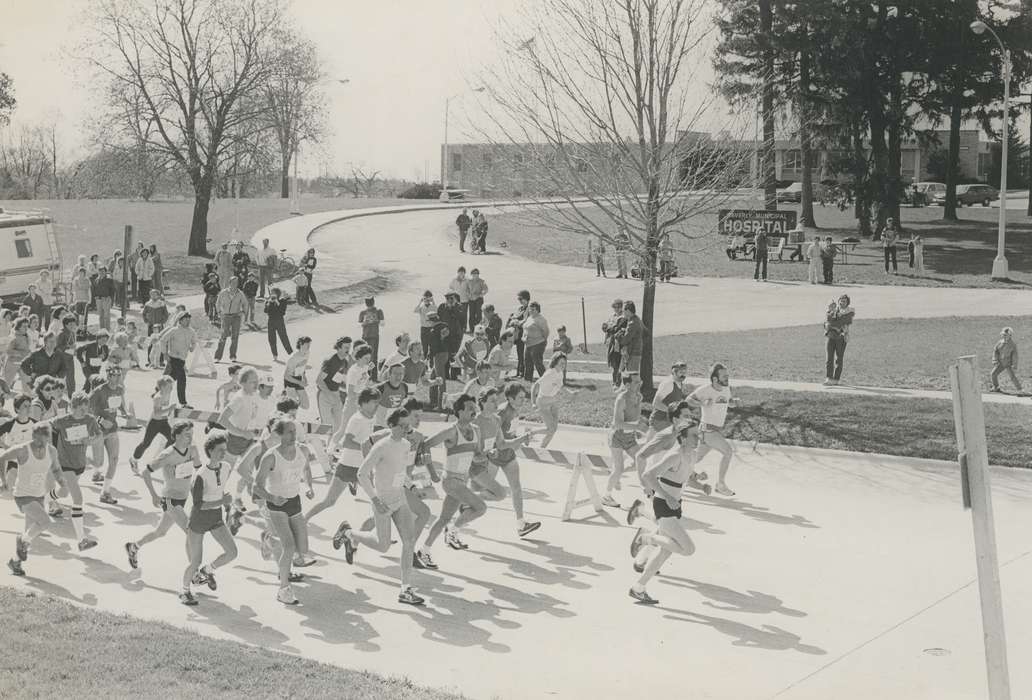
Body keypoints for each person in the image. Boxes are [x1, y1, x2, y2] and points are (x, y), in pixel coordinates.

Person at [337, 408, 426, 605]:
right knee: (383, 545)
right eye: (401, 426)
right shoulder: (381, 447)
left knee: (409, 542)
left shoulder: (405, 444)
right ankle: (350, 534)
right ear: (391, 426)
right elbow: (361, 474)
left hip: (400, 499)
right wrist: (375, 499)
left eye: (407, 426)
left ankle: (405, 589)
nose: (405, 430)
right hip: (383, 501)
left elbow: (401, 471)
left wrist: (412, 486)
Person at [628, 423, 700, 605]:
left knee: (664, 553)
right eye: (693, 435)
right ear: (683, 438)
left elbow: (686, 478)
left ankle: (638, 587)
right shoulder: (674, 455)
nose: (697, 439)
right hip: (664, 505)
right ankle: (646, 538)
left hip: (675, 505)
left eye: (698, 435)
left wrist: (702, 485)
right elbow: (649, 475)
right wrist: (667, 497)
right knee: (688, 549)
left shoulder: (692, 454)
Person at [253, 417, 315, 606]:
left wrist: (309, 487)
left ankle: (269, 540)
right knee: (289, 547)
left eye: (294, 431)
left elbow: (306, 469)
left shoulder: (302, 450)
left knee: (302, 550)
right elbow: (257, 486)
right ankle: (284, 589)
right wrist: (272, 498)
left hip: (294, 501)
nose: (293, 435)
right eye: (289, 432)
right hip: (276, 505)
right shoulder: (271, 456)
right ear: (279, 435)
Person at [416, 394, 487, 558]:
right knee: (481, 507)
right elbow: (426, 445)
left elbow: (477, 456)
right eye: (470, 408)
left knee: (443, 518)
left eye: (474, 408)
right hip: (451, 480)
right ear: (460, 412)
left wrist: (487, 455)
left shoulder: (476, 430)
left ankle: (423, 551)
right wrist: (432, 472)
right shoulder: (451, 431)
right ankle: (453, 532)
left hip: (463, 480)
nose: (474, 411)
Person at [126, 419, 201, 570]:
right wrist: (154, 495)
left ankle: (134, 547)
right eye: (187, 434)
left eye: (192, 434)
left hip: (183, 498)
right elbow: (146, 472)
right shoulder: (168, 454)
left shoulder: (193, 449)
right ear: (177, 436)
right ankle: (195, 572)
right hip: (170, 500)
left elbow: (198, 472)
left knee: (160, 532)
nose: (190, 437)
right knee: (191, 532)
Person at [468, 387, 541, 538]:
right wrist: (489, 452)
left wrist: (520, 440)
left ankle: (521, 524)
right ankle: (467, 503)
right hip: (493, 457)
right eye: (520, 398)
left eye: (523, 397)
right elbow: (492, 436)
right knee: (485, 489)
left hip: (508, 454)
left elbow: (507, 434)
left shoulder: (515, 411)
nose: (523, 400)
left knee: (516, 488)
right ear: (510, 399)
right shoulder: (500, 412)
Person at [180, 431, 238, 606]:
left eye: (225, 450)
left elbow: (219, 489)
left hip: (216, 518)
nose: (223, 453)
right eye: (220, 450)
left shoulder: (226, 467)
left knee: (232, 552)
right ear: (210, 451)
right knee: (195, 560)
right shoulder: (200, 475)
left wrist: (226, 504)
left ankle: (207, 571)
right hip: (199, 521)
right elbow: (199, 505)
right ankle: (184, 592)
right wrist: (222, 501)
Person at [310, 388, 380, 531]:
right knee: (329, 501)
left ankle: (377, 531)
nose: (377, 406)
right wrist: (367, 449)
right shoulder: (357, 419)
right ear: (364, 403)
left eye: (378, 403)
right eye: (374, 403)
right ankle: (304, 519)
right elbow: (346, 442)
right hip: (347, 466)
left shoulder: (371, 418)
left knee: (378, 501)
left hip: (363, 468)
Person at [3, 423, 66, 577]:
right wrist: (3, 481)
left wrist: (63, 484)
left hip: (39, 495)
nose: (40, 445)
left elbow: (56, 469)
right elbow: (2, 457)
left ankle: (15, 562)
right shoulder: (23, 449)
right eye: (37, 441)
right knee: (45, 522)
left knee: (30, 534)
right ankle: (21, 540)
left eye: (43, 442)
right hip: (23, 496)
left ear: (48, 439)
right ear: (32, 437)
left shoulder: (51, 451)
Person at [50, 392, 105, 541]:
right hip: (64, 464)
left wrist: (90, 441)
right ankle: (82, 539)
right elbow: (46, 427)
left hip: (80, 464)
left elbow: (100, 435)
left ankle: (46, 498)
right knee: (78, 499)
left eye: (86, 408)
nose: (84, 411)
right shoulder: (62, 420)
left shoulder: (90, 420)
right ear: (72, 408)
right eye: (81, 409)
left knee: (63, 492)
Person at [689, 363, 739, 497]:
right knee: (728, 452)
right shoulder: (705, 390)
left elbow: (729, 400)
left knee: (695, 458)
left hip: (712, 431)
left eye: (727, 375)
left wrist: (733, 403)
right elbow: (688, 400)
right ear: (715, 379)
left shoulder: (726, 388)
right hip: (708, 431)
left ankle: (674, 471)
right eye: (724, 376)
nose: (727, 378)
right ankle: (720, 484)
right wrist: (701, 403)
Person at [90, 364, 128, 504]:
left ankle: (105, 493)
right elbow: (87, 409)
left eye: (120, 375)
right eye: (115, 375)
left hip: (112, 430)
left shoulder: (119, 389)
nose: (118, 378)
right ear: (108, 376)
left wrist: (125, 412)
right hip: (98, 431)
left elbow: (119, 404)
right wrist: (101, 420)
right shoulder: (99, 391)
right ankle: (89, 467)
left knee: (114, 460)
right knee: (98, 462)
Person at [604, 373, 643, 508]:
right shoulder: (621, 399)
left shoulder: (639, 397)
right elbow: (618, 423)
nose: (640, 384)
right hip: (617, 437)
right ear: (627, 385)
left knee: (642, 460)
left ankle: (616, 475)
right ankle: (606, 496)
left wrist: (637, 429)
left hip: (630, 437)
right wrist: (637, 427)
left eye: (640, 381)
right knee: (619, 468)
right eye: (636, 382)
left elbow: (634, 416)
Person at [129, 375, 176, 473]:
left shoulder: (168, 393)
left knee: (173, 438)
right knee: (146, 443)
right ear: (162, 387)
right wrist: (170, 409)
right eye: (169, 387)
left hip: (164, 422)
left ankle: (162, 457)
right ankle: (134, 459)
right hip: (154, 423)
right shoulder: (158, 397)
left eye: (172, 387)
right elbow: (157, 412)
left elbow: (164, 409)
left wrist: (169, 412)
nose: (171, 389)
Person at [531, 353, 575, 448]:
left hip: (554, 401)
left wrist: (570, 392)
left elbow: (560, 385)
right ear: (555, 362)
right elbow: (535, 386)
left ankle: (542, 448)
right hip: (543, 401)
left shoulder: (560, 372)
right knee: (551, 429)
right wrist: (533, 403)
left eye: (565, 363)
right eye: (561, 363)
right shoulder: (550, 373)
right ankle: (530, 433)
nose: (563, 366)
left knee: (553, 429)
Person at [158, 312, 196, 407]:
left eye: (189, 319)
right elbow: (162, 340)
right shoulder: (174, 330)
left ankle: (158, 396)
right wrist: (165, 353)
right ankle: (182, 403)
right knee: (180, 380)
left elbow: (194, 341)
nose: (188, 321)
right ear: (180, 320)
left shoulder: (191, 331)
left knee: (167, 380)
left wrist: (192, 347)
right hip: (173, 359)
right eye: (186, 320)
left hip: (182, 360)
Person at [645, 361, 689, 442]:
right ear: (673, 372)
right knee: (647, 449)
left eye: (685, 372)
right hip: (658, 421)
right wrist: (672, 412)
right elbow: (656, 403)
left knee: (664, 449)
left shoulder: (680, 383)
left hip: (669, 423)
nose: (683, 375)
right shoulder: (668, 384)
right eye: (681, 372)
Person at [316, 336, 352, 432]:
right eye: (346, 348)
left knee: (339, 426)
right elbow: (319, 381)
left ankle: (334, 447)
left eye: (349, 348)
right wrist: (330, 394)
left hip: (336, 395)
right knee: (327, 426)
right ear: (339, 348)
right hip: (324, 395)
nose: (348, 350)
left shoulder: (345, 362)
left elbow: (340, 380)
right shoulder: (330, 361)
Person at [823, 294, 854, 387]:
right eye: (840, 300)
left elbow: (842, 323)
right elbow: (826, 321)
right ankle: (829, 378)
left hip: (841, 338)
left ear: (847, 303)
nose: (841, 302)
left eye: (844, 301)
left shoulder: (849, 313)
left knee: (839, 359)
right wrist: (826, 325)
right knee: (829, 358)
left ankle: (836, 379)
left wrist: (833, 325)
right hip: (830, 336)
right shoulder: (833, 310)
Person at [214, 276, 247, 362]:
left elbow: (245, 303)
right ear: (229, 283)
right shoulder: (223, 293)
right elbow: (217, 303)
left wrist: (243, 312)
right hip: (225, 316)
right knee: (223, 336)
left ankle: (233, 356)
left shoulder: (240, 293)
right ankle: (218, 357)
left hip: (236, 317)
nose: (234, 284)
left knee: (235, 337)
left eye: (236, 283)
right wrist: (219, 312)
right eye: (233, 282)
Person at [425, 312, 451, 410]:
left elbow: (433, 347)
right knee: (433, 377)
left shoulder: (433, 331)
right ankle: (433, 402)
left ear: (432, 321)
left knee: (440, 381)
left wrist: (430, 358)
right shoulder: (446, 327)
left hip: (438, 355)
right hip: (445, 353)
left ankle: (441, 406)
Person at [521, 301, 550, 382]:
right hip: (528, 344)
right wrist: (524, 337)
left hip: (538, 344)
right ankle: (527, 381)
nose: (531, 311)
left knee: (538, 363)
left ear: (538, 310)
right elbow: (525, 329)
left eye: (533, 309)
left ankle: (546, 380)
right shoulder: (530, 318)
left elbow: (546, 332)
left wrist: (542, 340)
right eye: (530, 309)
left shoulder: (541, 319)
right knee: (527, 362)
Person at [359, 297, 385, 381]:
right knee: (374, 356)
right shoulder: (378, 311)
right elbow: (382, 324)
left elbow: (359, 324)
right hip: (374, 336)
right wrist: (375, 321)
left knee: (365, 356)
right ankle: (373, 377)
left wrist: (366, 322)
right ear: (374, 302)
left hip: (365, 336)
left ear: (365, 303)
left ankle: (366, 376)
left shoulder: (362, 312)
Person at [438, 292, 465, 375]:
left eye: (451, 298)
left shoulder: (460, 307)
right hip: (445, 335)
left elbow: (461, 318)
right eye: (447, 298)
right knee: (445, 354)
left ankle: (455, 374)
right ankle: (445, 373)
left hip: (456, 335)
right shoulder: (442, 306)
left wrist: (453, 307)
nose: (449, 300)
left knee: (455, 355)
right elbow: (439, 319)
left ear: (455, 299)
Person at [602, 299, 626, 388]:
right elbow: (605, 326)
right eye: (614, 307)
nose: (616, 309)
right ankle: (614, 381)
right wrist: (607, 328)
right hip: (611, 342)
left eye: (618, 307)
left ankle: (618, 382)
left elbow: (616, 329)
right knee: (613, 362)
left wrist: (609, 328)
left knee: (619, 363)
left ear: (621, 307)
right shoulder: (612, 316)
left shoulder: (623, 317)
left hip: (619, 343)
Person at [264, 287, 292, 361]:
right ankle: (275, 355)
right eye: (271, 293)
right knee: (271, 338)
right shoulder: (269, 301)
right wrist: (268, 303)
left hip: (279, 321)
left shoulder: (282, 301)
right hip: (271, 321)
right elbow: (266, 311)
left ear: (278, 294)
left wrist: (277, 302)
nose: (272, 294)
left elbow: (282, 312)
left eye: (273, 293)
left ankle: (291, 353)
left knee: (284, 337)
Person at [990, 326, 1022, 393]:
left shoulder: (1012, 345)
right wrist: (994, 360)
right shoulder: (1000, 342)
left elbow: (1015, 356)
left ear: (1010, 335)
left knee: (1012, 377)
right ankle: (996, 387)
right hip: (1000, 363)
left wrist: (1014, 365)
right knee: (993, 374)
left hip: (1008, 364)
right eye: (1003, 335)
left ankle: (1020, 390)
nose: (1004, 336)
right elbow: (995, 351)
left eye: (1005, 335)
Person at [507, 290, 530, 377]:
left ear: (526, 298)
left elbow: (525, 320)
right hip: (517, 333)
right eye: (519, 299)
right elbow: (515, 316)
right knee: (519, 353)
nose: (519, 300)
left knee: (522, 353)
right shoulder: (520, 308)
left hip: (523, 333)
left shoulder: (529, 308)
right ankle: (518, 372)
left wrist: (516, 321)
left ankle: (522, 372)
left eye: (521, 298)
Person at [284, 336, 311, 410]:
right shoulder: (293, 358)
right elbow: (286, 376)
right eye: (307, 345)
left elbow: (302, 367)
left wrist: (304, 378)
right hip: (290, 382)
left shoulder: (307, 353)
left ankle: (289, 400)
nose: (308, 346)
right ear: (300, 344)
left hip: (299, 379)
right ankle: (287, 399)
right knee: (292, 409)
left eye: (309, 345)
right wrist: (300, 382)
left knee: (306, 405)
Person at [617, 301, 643, 374]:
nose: (622, 312)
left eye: (623, 310)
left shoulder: (633, 323)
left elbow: (624, 340)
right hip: (631, 353)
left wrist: (618, 336)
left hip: (633, 354)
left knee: (632, 378)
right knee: (626, 377)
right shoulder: (634, 320)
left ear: (628, 311)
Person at [449, 267, 471, 333]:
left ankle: (464, 328)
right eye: (460, 272)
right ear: (458, 272)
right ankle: (458, 328)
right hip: (456, 301)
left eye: (463, 272)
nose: (461, 273)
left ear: (464, 273)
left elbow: (470, 288)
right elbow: (451, 287)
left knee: (464, 315)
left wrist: (468, 293)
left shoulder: (467, 280)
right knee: (456, 314)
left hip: (465, 300)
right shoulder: (454, 280)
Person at [414, 291, 437, 355]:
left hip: (431, 328)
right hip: (423, 328)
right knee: (424, 346)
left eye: (428, 298)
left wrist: (433, 301)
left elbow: (437, 311)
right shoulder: (421, 307)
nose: (426, 300)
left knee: (432, 346)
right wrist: (420, 302)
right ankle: (425, 359)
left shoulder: (433, 306)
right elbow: (415, 310)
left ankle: (431, 360)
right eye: (425, 298)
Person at [466, 268, 488, 333]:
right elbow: (467, 289)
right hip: (471, 299)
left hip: (479, 299)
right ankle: (471, 329)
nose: (475, 275)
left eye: (476, 274)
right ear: (471, 274)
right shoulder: (469, 281)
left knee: (479, 314)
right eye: (473, 274)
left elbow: (485, 289)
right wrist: (468, 294)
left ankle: (479, 330)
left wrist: (481, 294)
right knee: (471, 314)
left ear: (478, 274)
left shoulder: (481, 281)